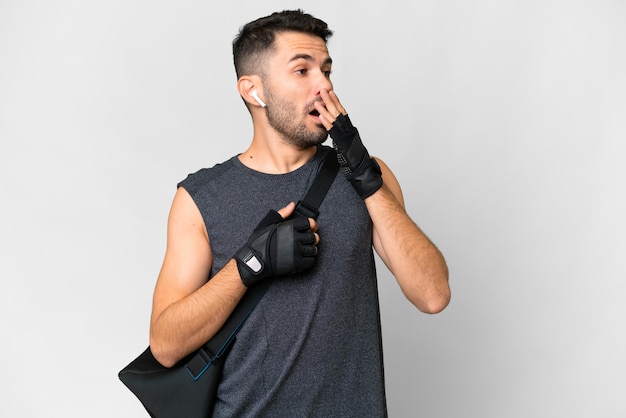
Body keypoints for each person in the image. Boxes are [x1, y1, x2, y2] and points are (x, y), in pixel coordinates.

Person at [148, 9, 450, 417]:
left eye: (326, 70)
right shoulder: (200, 197)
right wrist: (250, 263)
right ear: (254, 91)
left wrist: (365, 175)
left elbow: (432, 295)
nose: (324, 85)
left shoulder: (365, 175)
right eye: (302, 71)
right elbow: (166, 346)